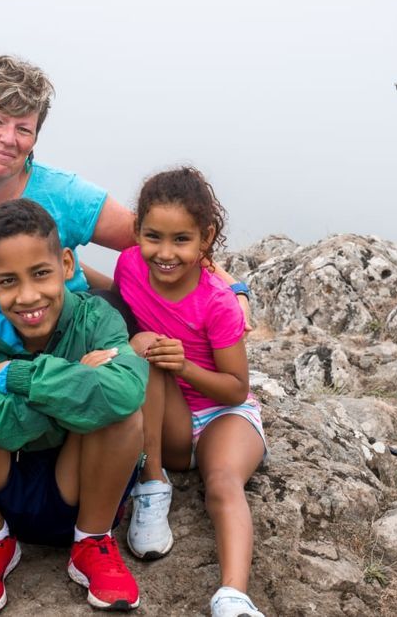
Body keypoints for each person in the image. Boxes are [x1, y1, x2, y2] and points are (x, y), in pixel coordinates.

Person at [0, 54, 251, 514]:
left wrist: (231, 287)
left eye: (24, 127)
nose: (8, 138)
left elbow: (155, 237)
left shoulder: (63, 193)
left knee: (103, 396)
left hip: (68, 346)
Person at [0, 199, 147, 615]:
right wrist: (70, 392)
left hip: (80, 485)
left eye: (41, 273)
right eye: (9, 281)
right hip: (3, 486)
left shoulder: (96, 318)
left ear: (65, 263)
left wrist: (14, 378)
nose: (28, 297)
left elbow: (128, 388)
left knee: (123, 415)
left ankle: (93, 542)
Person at [114, 167, 268, 617]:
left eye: (181, 239)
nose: (165, 253)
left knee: (222, 482)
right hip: (170, 421)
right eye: (152, 236)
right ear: (137, 231)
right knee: (148, 355)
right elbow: (108, 300)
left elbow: (237, 389)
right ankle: (153, 483)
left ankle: (234, 596)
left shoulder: (218, 301)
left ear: (206, 238)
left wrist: (186, 365)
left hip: (224, 415)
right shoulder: (128, 267)